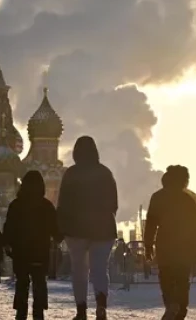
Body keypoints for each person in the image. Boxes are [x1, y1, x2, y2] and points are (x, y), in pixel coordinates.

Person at [57, 136, 118, 320]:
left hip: (76, 230)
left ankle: (81, 311)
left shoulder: (71, 174)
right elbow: (113, 203)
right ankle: (101, 307)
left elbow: (63, 204)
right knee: (100, 269)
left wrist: (61, 227)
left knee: (79, 271)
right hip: (103, 229)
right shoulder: (105, 173)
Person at [144, 166, 196, 320]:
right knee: (183, 280)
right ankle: (180, 310)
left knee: (166, 277)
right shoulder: (191, 197)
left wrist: (148, 244)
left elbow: (151, 222)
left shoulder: (158, 196)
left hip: (165, 243)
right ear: (185, 179)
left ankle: (171, 304)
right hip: (187, 245)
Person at [4, 170, 61, 320]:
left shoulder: (15, 205)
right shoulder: (46, 206)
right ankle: (39, 313)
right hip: (40, 253)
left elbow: (8, 227)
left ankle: (20, 313)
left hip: (20, 253)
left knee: (21, 282)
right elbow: (55, 229)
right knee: (40, 283)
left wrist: (7, 244)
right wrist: (60, 237)